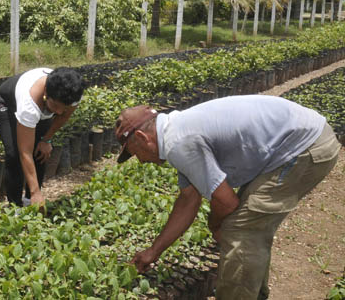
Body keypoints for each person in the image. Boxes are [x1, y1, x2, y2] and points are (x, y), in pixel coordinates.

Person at [114, 95, 342, 300]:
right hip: (302, 139)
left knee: (240, 229)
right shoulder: (176, 130)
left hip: (305, 147)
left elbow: (227, 202)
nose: (141, 161)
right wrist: (153, 252)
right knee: (247, 224)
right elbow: (188, 200)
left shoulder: (179, 143)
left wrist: (214, 223)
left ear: (143, 138)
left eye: (135, 154)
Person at [0, 67, 84, 206]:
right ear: (46, 92)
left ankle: (30, 201)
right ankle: (15, 205)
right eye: (56, 105)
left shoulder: (72, 94)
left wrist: (46, 140)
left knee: (40, 152)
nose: (58, 111)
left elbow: (64, 116)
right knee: (14, 154)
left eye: (63, 107)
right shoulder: (29, 103)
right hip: (5, 105)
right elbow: (25, 152)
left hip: (41, 107)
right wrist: (36, 192)